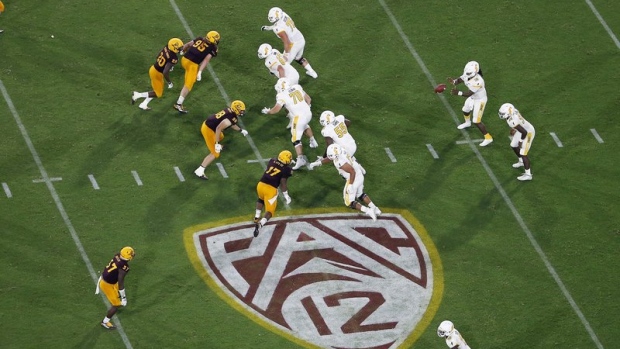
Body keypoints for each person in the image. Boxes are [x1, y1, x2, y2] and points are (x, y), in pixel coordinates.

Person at [262, 78, 319, 170]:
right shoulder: (297, 87)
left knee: (295, 138)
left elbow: (276, 109)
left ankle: (300, 160)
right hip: (308, 113)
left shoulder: (281, 95)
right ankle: (313, 141)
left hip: (299, 117)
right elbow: (308, 99)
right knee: (304, 125)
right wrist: (306, 108)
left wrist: (268, 111)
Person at [194, 100, 248, 179]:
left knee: (221, 136)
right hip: (208, 130)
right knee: (215, 153)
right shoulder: (231, 117)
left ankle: (216, 143)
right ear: (236, 109)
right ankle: (199, 171)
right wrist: (216, 144)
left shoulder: (230, 112)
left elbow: (231, 123)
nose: (242, 112)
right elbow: (219, 128)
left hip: (209, 125)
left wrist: (241, 130)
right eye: (241, 110)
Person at [326, 143, 381, 221]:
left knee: (348, 202)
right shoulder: (343, 150)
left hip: (353, 178)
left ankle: (368, 211)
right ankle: (375, 209)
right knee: (360, 194)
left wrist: (350, 185)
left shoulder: (339, 162)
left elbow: (352, 172)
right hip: (359, 173)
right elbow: (353, 159)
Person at [261, 7, 318, 79]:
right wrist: (269, 28)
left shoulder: (277, 28)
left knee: (283, 65)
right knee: (298, 58)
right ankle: (312, 72)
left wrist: (286, 55)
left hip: (293, 44)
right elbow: (279, 24)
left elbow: (286, 41)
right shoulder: (284, 14)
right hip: (300, 38)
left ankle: (286, 84)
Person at [173, 31, 220, 114]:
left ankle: (171, 65)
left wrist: (182, 50)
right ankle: (178, 104)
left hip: (184, 60)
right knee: (188, 85)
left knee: (188, 79)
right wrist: (200, 72)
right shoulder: (213, 48)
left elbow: (188, 45)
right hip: (192, 65)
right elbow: (206, 60)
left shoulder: (200, 38)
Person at [448, 61, 493, 147]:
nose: (467, 74)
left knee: (476, 121)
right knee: (465, 110)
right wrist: (453, 81)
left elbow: (468, 93)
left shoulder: (478, 81)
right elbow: (461, 79)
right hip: (473, 97)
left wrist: (458, 93)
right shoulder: (468, 74)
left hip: (480, 100)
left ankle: (488, 137)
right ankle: (467, 122)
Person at [131, 38, 183, 110]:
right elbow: (165, 72)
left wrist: (166, 65)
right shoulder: (174, 58)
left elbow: (158, 55)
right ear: (174, 48)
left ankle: (143, 104)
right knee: (158, 93)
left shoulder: (167, 47)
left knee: (157, 89)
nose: (181, 49)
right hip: (157, 73)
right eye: (179, 48)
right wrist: (169, 82)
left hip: (153, 68)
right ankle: (138, 95)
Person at [253, 150, 293, 237]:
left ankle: (256, 217)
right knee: (270, 211)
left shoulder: (272, 160)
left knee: (261, 198)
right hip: (270, 189)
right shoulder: (287, 169)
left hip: (260, 185)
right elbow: (283, 183)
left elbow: (277, 163)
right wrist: (286, 195)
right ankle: (260, 224)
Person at [95, 246, 135, 330]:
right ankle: (105, 322)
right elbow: (121, 282)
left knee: (117, 296)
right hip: (107, 284)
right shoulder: (124, 268)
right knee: (116, 305)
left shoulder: (117, 255)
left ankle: (117, 300)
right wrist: (124, 298)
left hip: (108, 279)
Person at [499, 103, 536, 181]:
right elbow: (519, 123)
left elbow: (524, 132)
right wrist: (515, 129)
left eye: (503, 113)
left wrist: (521, 141)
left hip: (528, 132)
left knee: (523, 153)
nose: (501, 114)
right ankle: (521, 161)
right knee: (513, 145)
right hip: (522, 129)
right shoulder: (514, 112)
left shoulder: (512, 120)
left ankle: (528, 175)